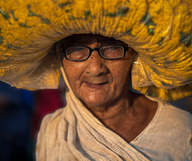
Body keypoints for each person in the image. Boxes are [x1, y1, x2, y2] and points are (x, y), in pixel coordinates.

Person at [36, 34, 192, 161]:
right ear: (61, 59)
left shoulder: (181, 130)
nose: (95, 68)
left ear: (134, 55)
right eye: (77, 49)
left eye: (111, 48)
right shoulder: (53, 129)